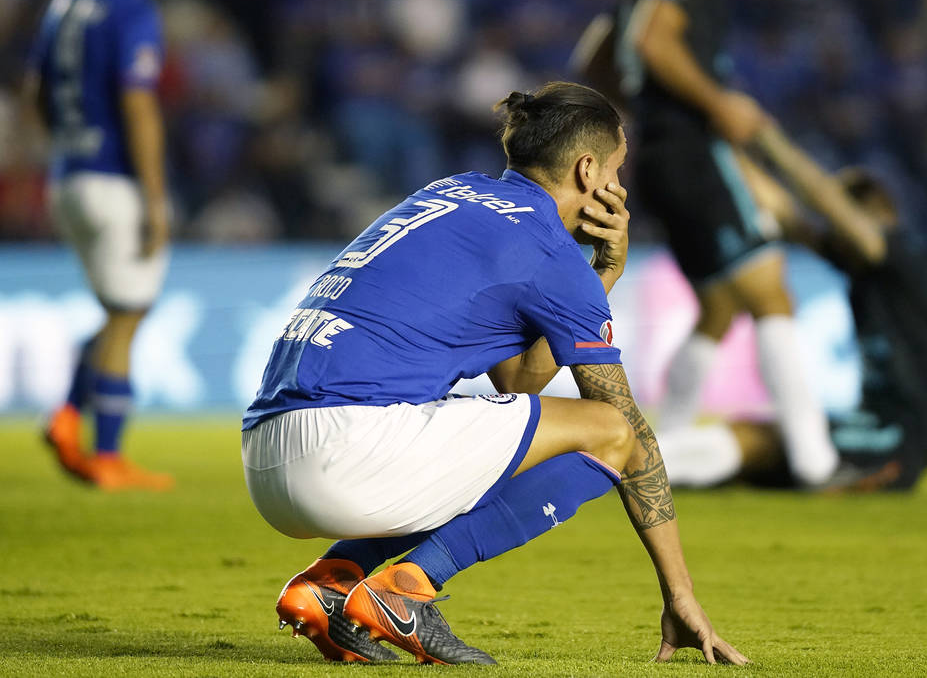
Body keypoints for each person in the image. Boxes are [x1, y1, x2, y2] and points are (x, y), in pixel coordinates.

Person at [242, 83, 747, 666]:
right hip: (349, 451)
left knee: (507, 438)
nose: (620, 184)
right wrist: (680, 594)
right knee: (609, 430)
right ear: (588, 170)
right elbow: (624, 434)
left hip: (266, 454)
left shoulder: (447, 193)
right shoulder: (550, 252)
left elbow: (518, 382)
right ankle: (408, 589)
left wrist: (601, 275)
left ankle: (332, 580)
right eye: (617, 167)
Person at [603, 0, 837, 486]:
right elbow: (653, 41)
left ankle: (660, 453)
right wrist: (718, 103)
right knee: (769, 291)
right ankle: (818, 463)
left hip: (658, 148)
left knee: (719, 304)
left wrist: (620, 115)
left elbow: (606, 46)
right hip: (689, 145)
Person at [660, 130, 927, 492]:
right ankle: (643, 462)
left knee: (764, 439)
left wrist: (767, 138)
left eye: (838, 220)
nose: (831, 232)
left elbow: (823, 199)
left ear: (873, 214)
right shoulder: (867, 264)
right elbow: (790, 219)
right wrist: (723, 153)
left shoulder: (907, 259)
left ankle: (632, 464)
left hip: (893, 443)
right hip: (868, 428)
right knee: (759, 434)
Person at [22, 0, 181, 490]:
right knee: (127, 316)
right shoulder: (132, 8)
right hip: (114, 182)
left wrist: (62, 151)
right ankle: (106, 454)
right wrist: (155, 199)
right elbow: (138, 104)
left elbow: (35, 91)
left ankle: (66, 415)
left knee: (119, 311)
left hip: (68, 178)